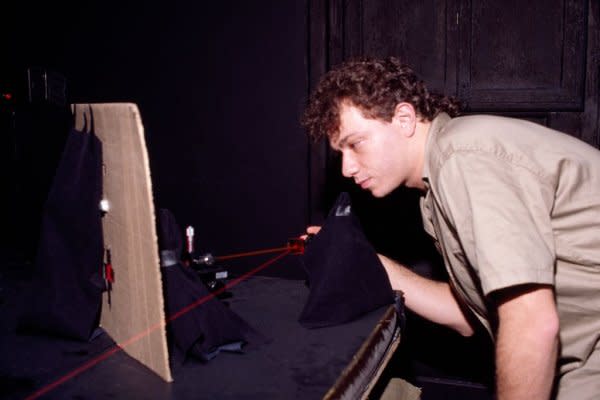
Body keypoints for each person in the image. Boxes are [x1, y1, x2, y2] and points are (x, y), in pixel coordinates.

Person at [301, 56, 600, 400]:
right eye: (340, 154)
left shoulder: (464, 157)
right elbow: (466, 316)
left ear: (404, 118)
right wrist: (368, 261)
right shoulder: (438, 184)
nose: (347, 169)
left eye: (355, 144)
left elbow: (531, 323)